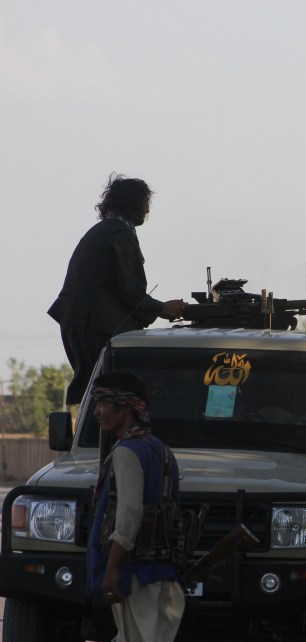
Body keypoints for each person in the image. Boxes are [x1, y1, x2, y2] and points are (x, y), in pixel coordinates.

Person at [48, 174, 186, 404]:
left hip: (82, 323)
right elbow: (131, 291)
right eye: (145, 204)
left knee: (99, 391)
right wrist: (163, 308)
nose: (147, 211)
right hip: (95, 327)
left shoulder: (103, 230)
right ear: (133, 204)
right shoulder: (120, 234)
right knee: (113, 394)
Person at [87, 371, 185, 642]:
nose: (97, 412)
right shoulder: (160, 449)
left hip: (135, 574)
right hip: (160, 572)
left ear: (125, 408)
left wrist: (112, 569)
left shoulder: (126, 451)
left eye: (103, 403)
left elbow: (129, 515)